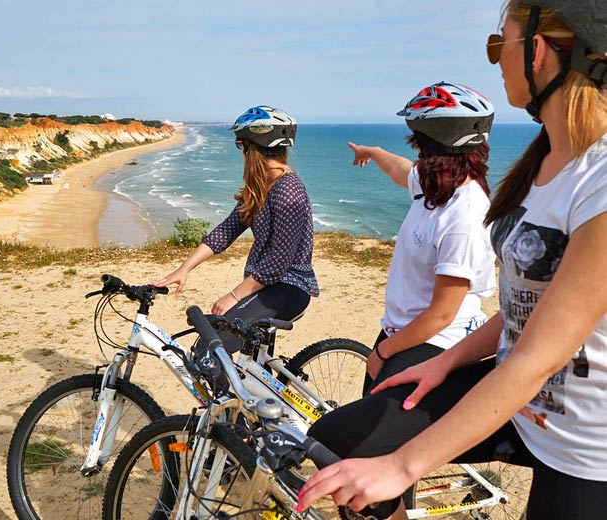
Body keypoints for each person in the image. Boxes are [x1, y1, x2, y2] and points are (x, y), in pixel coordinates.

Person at [298, 2, 607, 519]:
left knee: (381, 465)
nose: (495, 61)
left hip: (581, 443)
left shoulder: (596, 181)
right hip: (516, 402)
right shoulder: (544, 163)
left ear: (535, 52)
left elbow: (542, 355)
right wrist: (446, 362)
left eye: (497, 45)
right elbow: (522, 309)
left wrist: (401, 467)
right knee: (339, 438)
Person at [348, 82, 497, 392]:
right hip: (401, 332)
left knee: (359, 437)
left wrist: (382, 352)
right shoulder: (439, 184)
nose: (415, 151)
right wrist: (373, 152)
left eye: (419, 144)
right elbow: (402, 171)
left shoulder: (464, 218)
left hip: (435, 342)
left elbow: (441, 314)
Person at [154, 105, 319, 353]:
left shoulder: (288, 191)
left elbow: (279, 261)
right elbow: (226, 231)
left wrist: (234, 295)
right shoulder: (261, 186)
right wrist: (184, 269)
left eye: (240, 144)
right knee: (250, 363)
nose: (240, 151)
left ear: (251, 148)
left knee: (209, 350)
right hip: (265, 286)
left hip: (288, 287)